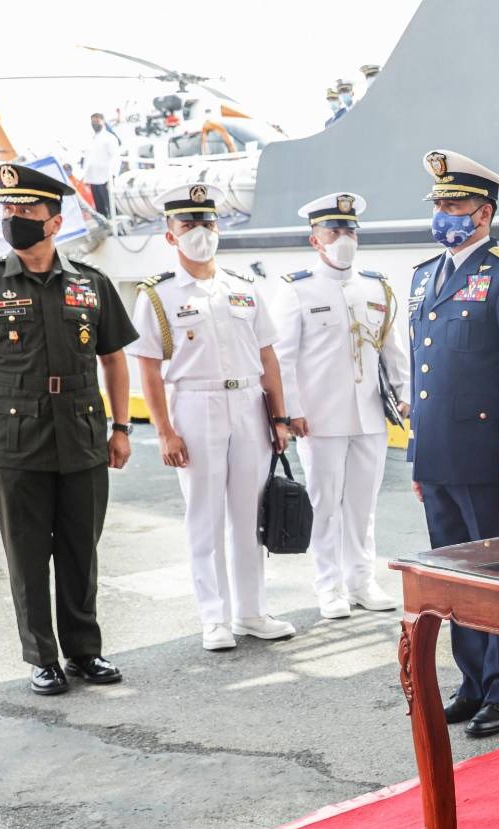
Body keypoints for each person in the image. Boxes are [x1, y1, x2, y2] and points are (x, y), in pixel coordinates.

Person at [0, 163, 136, 695]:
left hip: (82, 435)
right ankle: (42, 656)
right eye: (8, 210)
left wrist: (123, 427)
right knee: (28, 554)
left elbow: (115, 360)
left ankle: (85, 651)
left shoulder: (91, 283)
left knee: (82, 549)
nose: (14, 218)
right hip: (14, 441)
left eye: (26, 210)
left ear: (54, 222)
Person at [409, 149, 499, 738]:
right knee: (456, 581)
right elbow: (425, 374)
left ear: (484, 212)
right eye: (439, 203)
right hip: (440, 456)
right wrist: (418, 457)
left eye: (456, 203)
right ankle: (471, 681)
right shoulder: (424, 275)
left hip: (490, 462)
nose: (445, 213)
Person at [127, 183, 297, 652]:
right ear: (170, 235)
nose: (200, 232)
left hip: (247, 404)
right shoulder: (157, 295)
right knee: (204, 515)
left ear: (218, 229)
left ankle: (250, 611)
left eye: (207, 222)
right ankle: (214, 618)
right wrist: (164, 431)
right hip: (195, 406)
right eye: (188, 224)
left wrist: (280, 418)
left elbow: (268, 357)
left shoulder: (243, 288)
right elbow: (147, 366)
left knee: (249, 514)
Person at [272, 192, 408, 619]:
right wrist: (291, 410)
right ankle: (329, 587)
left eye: (349, 229)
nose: (343, 237)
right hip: (319, 418)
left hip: (369, 415)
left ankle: (361, 580)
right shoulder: (296, 289)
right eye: (334, 230)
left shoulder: (375, 286)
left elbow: (392, 349)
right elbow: (283, 358)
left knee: (362, 504)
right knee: (324, 504)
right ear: (315, 240)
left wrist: (405, 394)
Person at [82, 113, 121, 219]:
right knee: (100, 209)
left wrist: (112, 175)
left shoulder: (110, 138)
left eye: (96, 121)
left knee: (111, 206)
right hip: (93, 179)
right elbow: (87, 160)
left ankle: (119, 228)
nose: (94, 124)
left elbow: (115, 158)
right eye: (92, 122)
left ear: (103, 121)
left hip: (106, 177)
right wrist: (85, 178)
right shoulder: (91, 140)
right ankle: (107, 228)